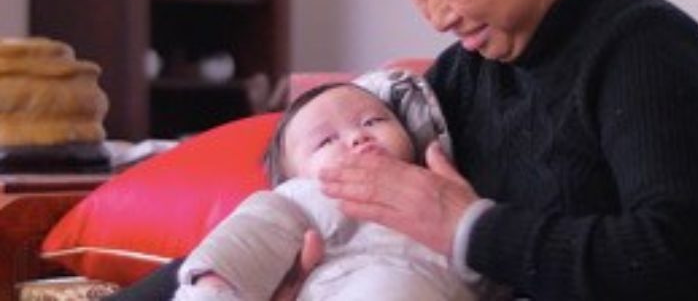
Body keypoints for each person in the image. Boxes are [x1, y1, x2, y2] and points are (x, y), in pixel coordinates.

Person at [111, 0, 698, 299]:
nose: (436, 17)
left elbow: (691, 266)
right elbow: (295, 212)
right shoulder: (463, 77)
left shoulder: (646, 50)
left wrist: (466, 227)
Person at [173, 72, 491, 301]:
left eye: (373, 121)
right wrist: (214, 284)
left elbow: (491, 275)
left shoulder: (442, 191)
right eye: (326, 141)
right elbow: (251, 233)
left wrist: (473, 225)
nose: (358, 137)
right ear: (294, 177)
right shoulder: (305, 196)